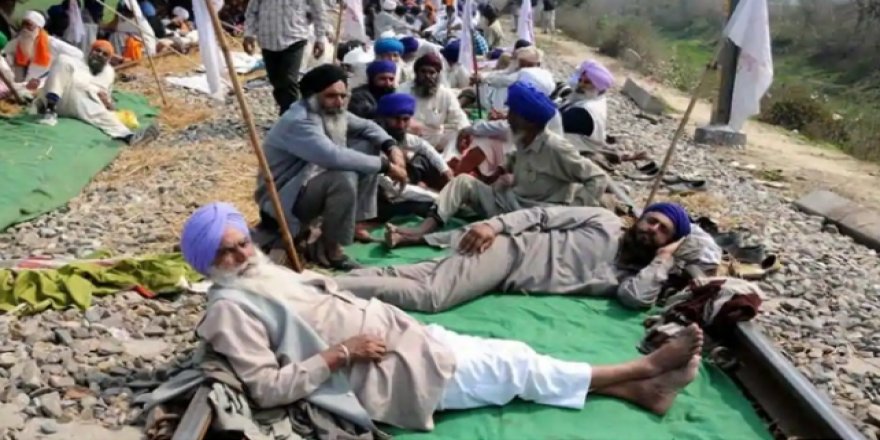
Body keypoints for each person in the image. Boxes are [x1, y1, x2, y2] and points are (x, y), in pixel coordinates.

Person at [181, 202, 704, 432]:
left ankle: (642, 392)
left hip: (401, 337)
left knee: (507, 362)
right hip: (386, 369)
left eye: (243, 242)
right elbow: (270, 388)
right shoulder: (230, 307)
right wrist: (342, 352)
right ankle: (638, 371)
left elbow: (637, 294)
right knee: (515, 366)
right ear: (208, 263)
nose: (243, 255)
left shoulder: (257, 276)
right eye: (227, 252)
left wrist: (662, 263)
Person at [335, 203, 722, 312]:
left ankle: (347, 279)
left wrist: (665, 259)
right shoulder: (603, 221)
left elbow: (635, 299)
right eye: (651, 221)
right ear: (640, 217)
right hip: (506, 251)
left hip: (503, 276)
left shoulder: (634, 274)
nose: (651, 231)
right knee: (433, 296)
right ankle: (328, 288)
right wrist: (496, 226)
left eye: (662, 232)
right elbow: (542, 215)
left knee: (426, 274)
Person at [385, 81, 609, 243]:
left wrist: (569, 213)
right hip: (507, 203)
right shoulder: (523, 139)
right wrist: (501, 177)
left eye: (512, 113)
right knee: (462, 182)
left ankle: (414, 240)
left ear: (528, 121)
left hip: (532, 218)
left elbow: (597, 178)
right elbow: (513, 164)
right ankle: (424, 228)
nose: (507, 117)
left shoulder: (556, 148)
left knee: (482, 234)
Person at [251, 64, 408, 270]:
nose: (339, 102)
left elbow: (368, 127)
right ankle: (331, 250)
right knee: (345, 176)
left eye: (343, 96)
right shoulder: (300, 121)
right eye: (331, 96)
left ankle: (354, 223)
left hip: (308, 186)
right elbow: (333, 156)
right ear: (311, 96)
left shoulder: (332, 111)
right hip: (283, 200)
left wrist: (391, 147)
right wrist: (386, 166)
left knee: (368, 144)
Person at [31, 40, 159, 145]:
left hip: (81, 103)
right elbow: (50, 80)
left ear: (108, 59)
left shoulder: (108, 72)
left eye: (104, 54)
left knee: (101, 112)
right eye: (97, 51)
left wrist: (107, 102)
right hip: (59, 98)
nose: (99, 55)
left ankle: (129, 137)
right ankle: (50, 112)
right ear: (90, 51)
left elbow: (108, 102)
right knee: (63, 60)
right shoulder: (73, 62)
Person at [242, 0, 327, 115]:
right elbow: (252, 11)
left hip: (294, 38)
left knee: (289, 80)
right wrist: (248, 34)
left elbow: (319, 10)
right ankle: (287, 112)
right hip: (268, 40)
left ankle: (291, 117)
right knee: (276, 81)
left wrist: (320, 38)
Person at [397, 52, 469, 151]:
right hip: (409, 138)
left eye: (432, 73)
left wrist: (464, 133)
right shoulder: (403, 90)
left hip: (435, 139)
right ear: (416, 73)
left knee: (457, 134)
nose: (427, 76)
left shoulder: (445, 94)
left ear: (438, 75)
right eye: (423, 72)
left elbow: (460, 118)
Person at [4, 10, 83, 90]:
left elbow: (78, 54)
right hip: (23, 85)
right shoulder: (19, 41)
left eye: (29, 25)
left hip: (44, 85)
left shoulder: (52, 43)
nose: (25, 28)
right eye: (23, 24)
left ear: (38, 28)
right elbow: (4, 51)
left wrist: (58, 65)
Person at [560, 60, 614, 143]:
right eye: (580, 80)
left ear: (598, 88)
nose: (580, 85)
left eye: (587, 82)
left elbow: (554, 122)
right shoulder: (592, 98)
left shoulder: (585, 111)